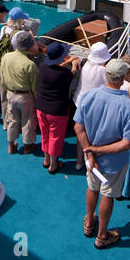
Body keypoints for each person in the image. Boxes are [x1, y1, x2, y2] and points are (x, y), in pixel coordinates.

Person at [73, 58, 130, 249]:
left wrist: (90, 153)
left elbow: (78, 127)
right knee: (108, 195)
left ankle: (88, 222)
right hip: (113, 162)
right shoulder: (127, 106)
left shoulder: (89, 96)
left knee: (92, 188)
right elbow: (127, 143)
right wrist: (96, 151)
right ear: (122, 78)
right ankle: (102, 235)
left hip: (91, 160)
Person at [36, 40, 77, 173]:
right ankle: (54, 165)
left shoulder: (42, 67)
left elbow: (57, 67)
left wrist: (66, 62)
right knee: (56, 137)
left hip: (41, 107)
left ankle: (46, 159)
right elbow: (72, 74)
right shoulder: (64, 74)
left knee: (45, 133)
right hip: (57, 111)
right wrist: (74, 64)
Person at [0, 30, 41, 154]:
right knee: (28, 121)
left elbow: (2, 76)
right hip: (25, 96)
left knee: (12, 119)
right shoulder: (30, 64)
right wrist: (36, 98)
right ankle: (28, 146)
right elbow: (35, 86)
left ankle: (11, 144)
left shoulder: (5, 57)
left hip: (10, 93)